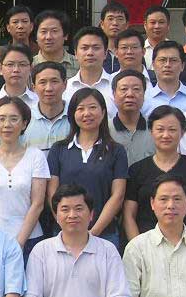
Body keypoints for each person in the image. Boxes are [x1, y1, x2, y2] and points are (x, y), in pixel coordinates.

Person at [46, 88, 128, 247]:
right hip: (64, 234)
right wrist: (65, 224)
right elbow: (52, 193)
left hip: (105, 234)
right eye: (80, 109)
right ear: (72, 114)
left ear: (103, 113)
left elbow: (118, 195)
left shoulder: (116, 150)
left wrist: (93, 233)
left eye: (92, 107)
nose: (87, 113)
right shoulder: (59, 149)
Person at [0, 97, 49, 252]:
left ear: (24, 123)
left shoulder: (36, 156)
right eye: (1, 119)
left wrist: (19, 242)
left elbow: (38, 204)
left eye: (14, 119)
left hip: (29, 239)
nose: (7, 124)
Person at [124, 106, 186, 241]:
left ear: (182, 132)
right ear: (151, 131)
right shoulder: (137, 170)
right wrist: (138, 247)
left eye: (172, 130)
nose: (166, 135)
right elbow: (129, 215)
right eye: (160, 129)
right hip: (146, 245)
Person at [109, 70, 155, 166]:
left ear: (144, 94)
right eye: (124, 89)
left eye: (136, 89)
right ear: (114, 94)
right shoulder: (104, 129)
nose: (130, 94)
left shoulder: (155, 128)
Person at [25, 62, 71, 150]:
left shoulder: (76, 116)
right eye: (42, 82)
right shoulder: (25, 118)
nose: (49, 88)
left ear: (65, 84)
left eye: (54, 81)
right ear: (33, 87)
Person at [64, 26, 113, 106]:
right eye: (84, 48)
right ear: (75, 53)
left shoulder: (116, 86)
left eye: (96, 48)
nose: (90, 53)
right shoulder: (65, 88)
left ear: (105, 53)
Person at [143, 41, 186, 115]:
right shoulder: (143, 99)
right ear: (153, 65)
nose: (167, 65)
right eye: (162, 60)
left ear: (182, 66)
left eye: (173, 60)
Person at [0, 44, 38, 108]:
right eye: (10, 64)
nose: (16, 70)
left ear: (31, 68)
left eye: (22, 64)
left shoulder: (40, 101)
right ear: (0, 69)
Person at [33, 9, 78, 77]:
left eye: (54, 31)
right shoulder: (28, 65)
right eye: (43, 31)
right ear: (36, 36)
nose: (48, 37)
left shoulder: (80, 64)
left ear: (66, 35)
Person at [98, 1, 129, 73]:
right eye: (110, 19)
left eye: (120, 19)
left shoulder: (132, 52)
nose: (115, 23)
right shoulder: (96, 52)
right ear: (102, 24)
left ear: (127, 25)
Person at [142, 5, 172, 70]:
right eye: (153, 22)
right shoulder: (139, 50)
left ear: (168, 25)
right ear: (145, 25)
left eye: (161, 22)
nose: (157, 26)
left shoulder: (175, 50)